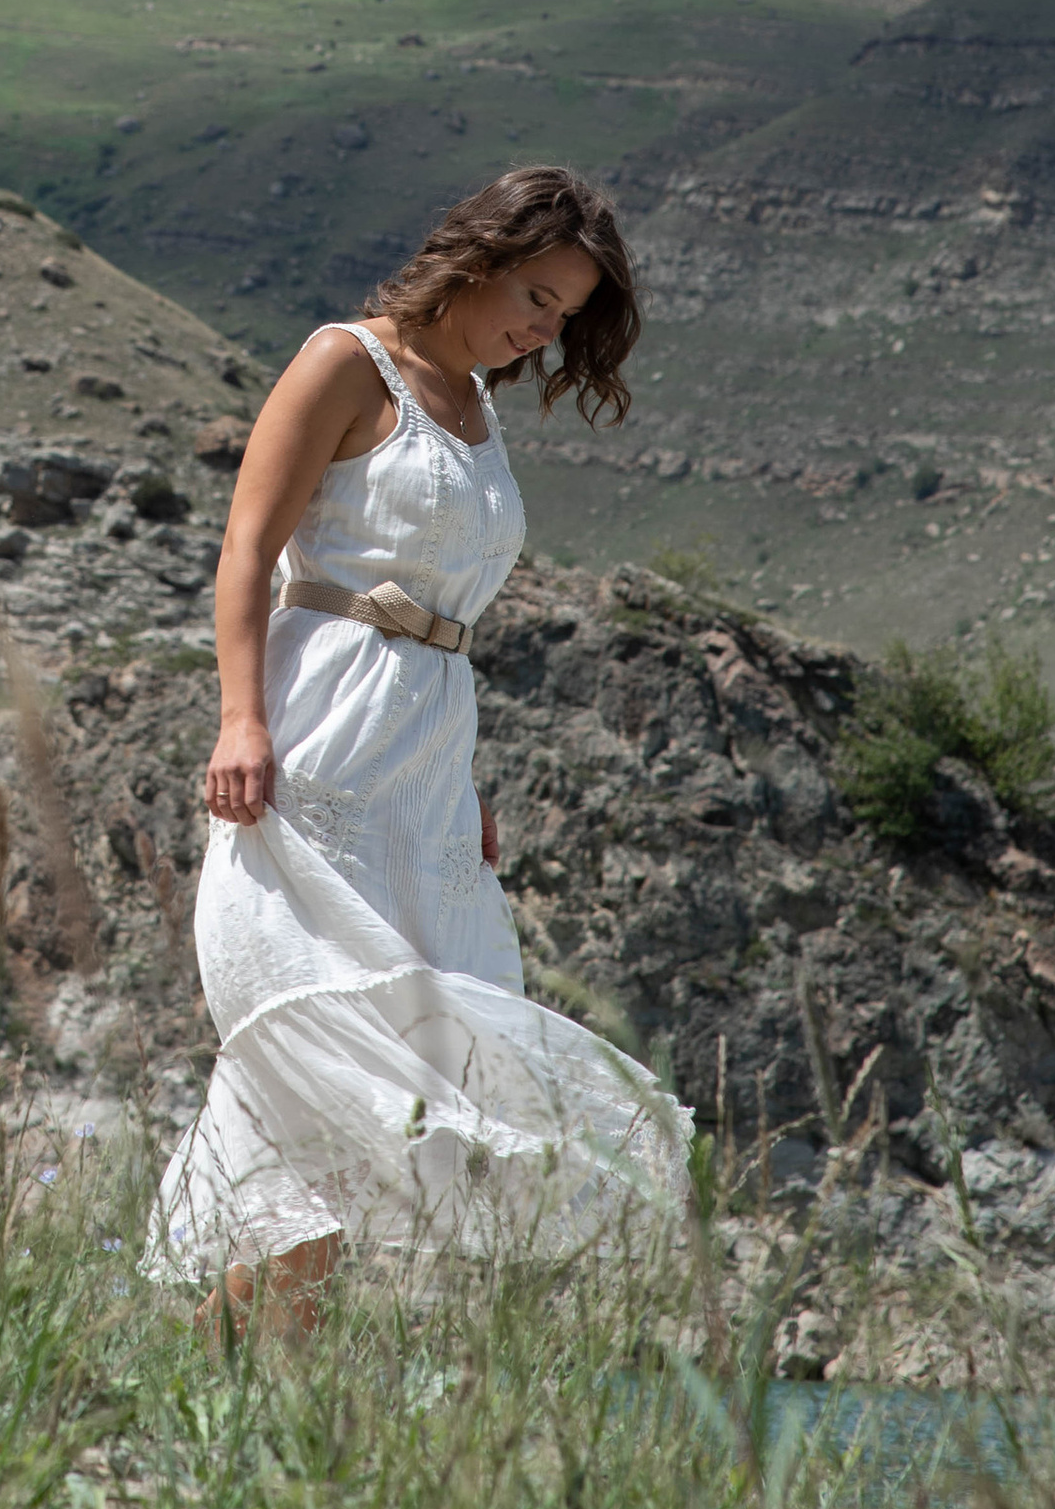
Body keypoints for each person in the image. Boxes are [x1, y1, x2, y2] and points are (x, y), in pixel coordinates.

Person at [149, 164, 690, 1325]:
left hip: (427, 775)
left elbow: (440, 617)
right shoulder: (345, 361)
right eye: (536, 297)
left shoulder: (477, 409)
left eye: (563, 317)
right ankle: (222, 1375)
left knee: (412, 1102)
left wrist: (462, 784)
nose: (542, 331)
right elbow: (247, 550)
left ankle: (222, 1385)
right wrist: (240, 718)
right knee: (316, 1089)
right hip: (316, 748)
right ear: (479, 260)